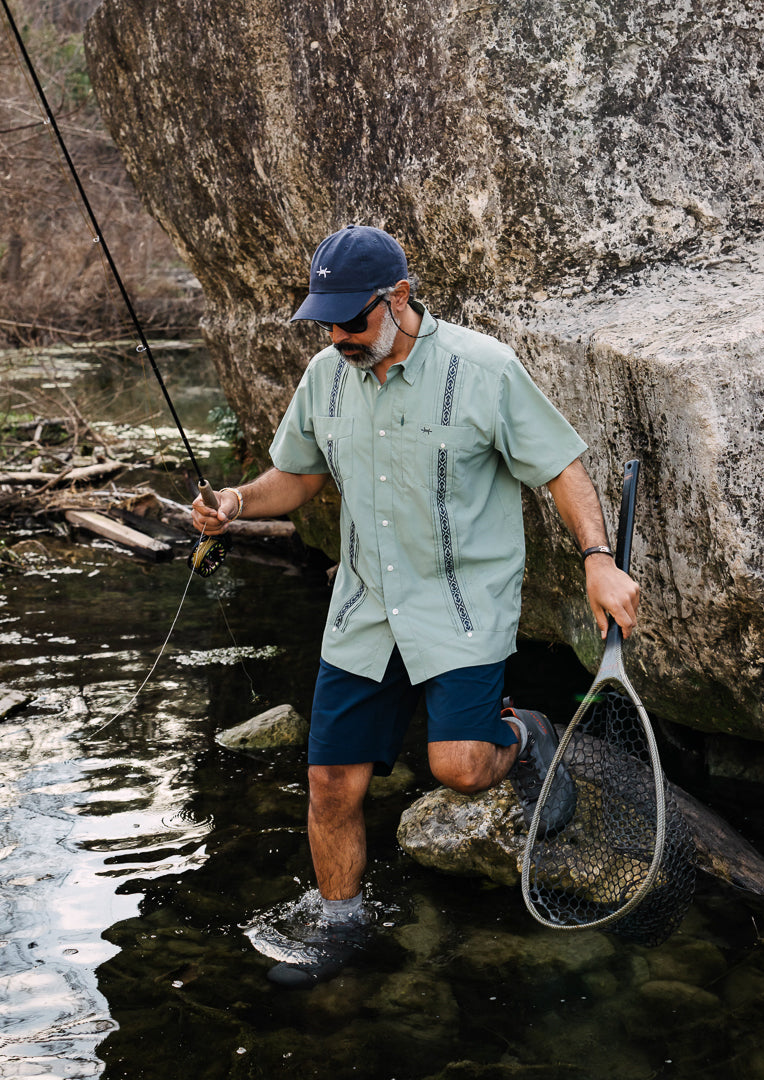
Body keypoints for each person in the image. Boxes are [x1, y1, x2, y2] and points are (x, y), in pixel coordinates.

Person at [192, 225, 640, 986]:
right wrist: (235, 501)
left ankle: (523, 736)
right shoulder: (324, 376)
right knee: (331, 784)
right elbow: (294, 477)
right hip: (364, 609)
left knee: (460, 767)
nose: (338, 337)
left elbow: (561, 469)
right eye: (325, 322)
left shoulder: (485, 369)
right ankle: (341, 923)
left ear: (399, 298)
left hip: (462, 605)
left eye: (352, 320)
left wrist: (598, 560)